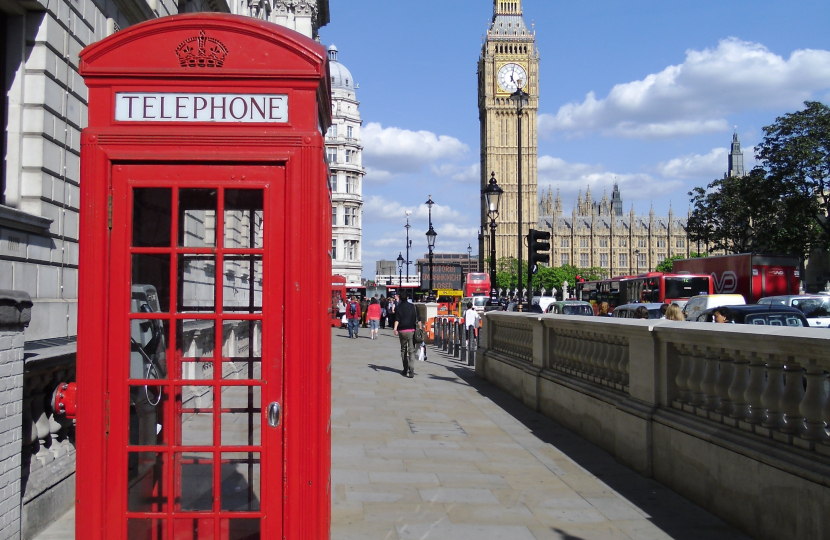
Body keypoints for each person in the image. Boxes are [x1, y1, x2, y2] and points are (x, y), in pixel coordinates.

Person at [393, 291, 422, 378]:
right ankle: (411, 368)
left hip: (402, 330)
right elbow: (419, 319)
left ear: (400, 298)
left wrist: (395, 328)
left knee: (403, 349)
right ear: (407, 298)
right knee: (411, 350)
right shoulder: (413, 307)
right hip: (412, 330)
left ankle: (405, 368)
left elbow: (397, 319)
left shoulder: (398, 307)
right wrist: (420, 329)